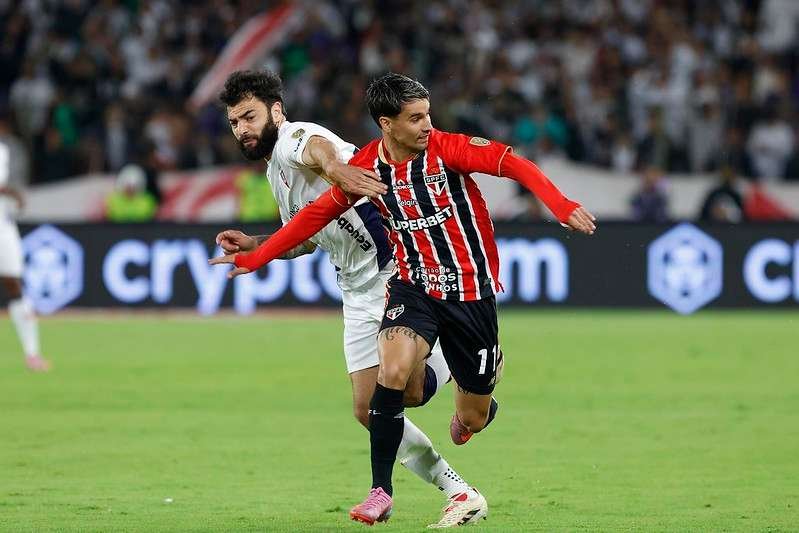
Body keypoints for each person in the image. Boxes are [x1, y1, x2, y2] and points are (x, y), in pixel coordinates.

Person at [210, 73, 596, 526]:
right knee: (370, 406)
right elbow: (312, 233)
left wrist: (336, 170)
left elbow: (320, 151)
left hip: (393, 272)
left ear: (276, 110)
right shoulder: (279, 172)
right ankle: (453, 489)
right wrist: (261, 247)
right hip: (356, 288)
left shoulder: (298, 137)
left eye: (250, 116)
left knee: (430, 404)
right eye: (235, 122)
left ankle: (456, 365)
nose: (242, 129)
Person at [0, 112, 50, 371]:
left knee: (14, 284)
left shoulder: (2, 151)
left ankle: (32, 353)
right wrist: (13, 194)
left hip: (1, 226)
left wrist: (11, 195)